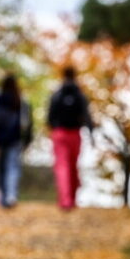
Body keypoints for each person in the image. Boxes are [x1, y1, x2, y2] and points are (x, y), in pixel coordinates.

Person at [0, 74, 33, 209]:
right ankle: (10, 196)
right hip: (15, 139)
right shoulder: (20, 101)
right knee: (13, 167)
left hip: (1, 139)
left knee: (3, 168)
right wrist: (27, 140)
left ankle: (5, 198)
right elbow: (28, 123)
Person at [47, 66, 94, 210]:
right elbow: (87, 116)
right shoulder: (80, 95)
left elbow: (49, 117)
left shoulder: (57, 94)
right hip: (75, 134)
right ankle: (72, 199)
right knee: (73, 166)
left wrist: (53, 128)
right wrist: (91, 134)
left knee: (62, 166)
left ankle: (65, 200)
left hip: (59, 133)